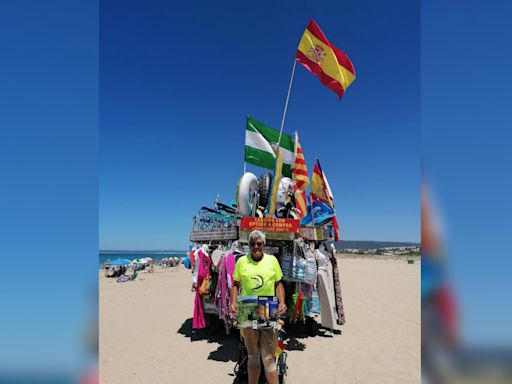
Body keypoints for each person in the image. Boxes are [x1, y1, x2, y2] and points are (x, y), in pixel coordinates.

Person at [230, 230, 287, 384]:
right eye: (253, 244)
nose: (256, 247)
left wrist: (282, 302)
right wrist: (233, 302)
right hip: (248, 307)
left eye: (259, 243)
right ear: (248, 245)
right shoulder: (241, 261)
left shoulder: (272, 260)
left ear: (264, 245)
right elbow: (235, 284)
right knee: (253, 356)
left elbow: (278, 283)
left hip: (267, 306)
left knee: (268, 357)